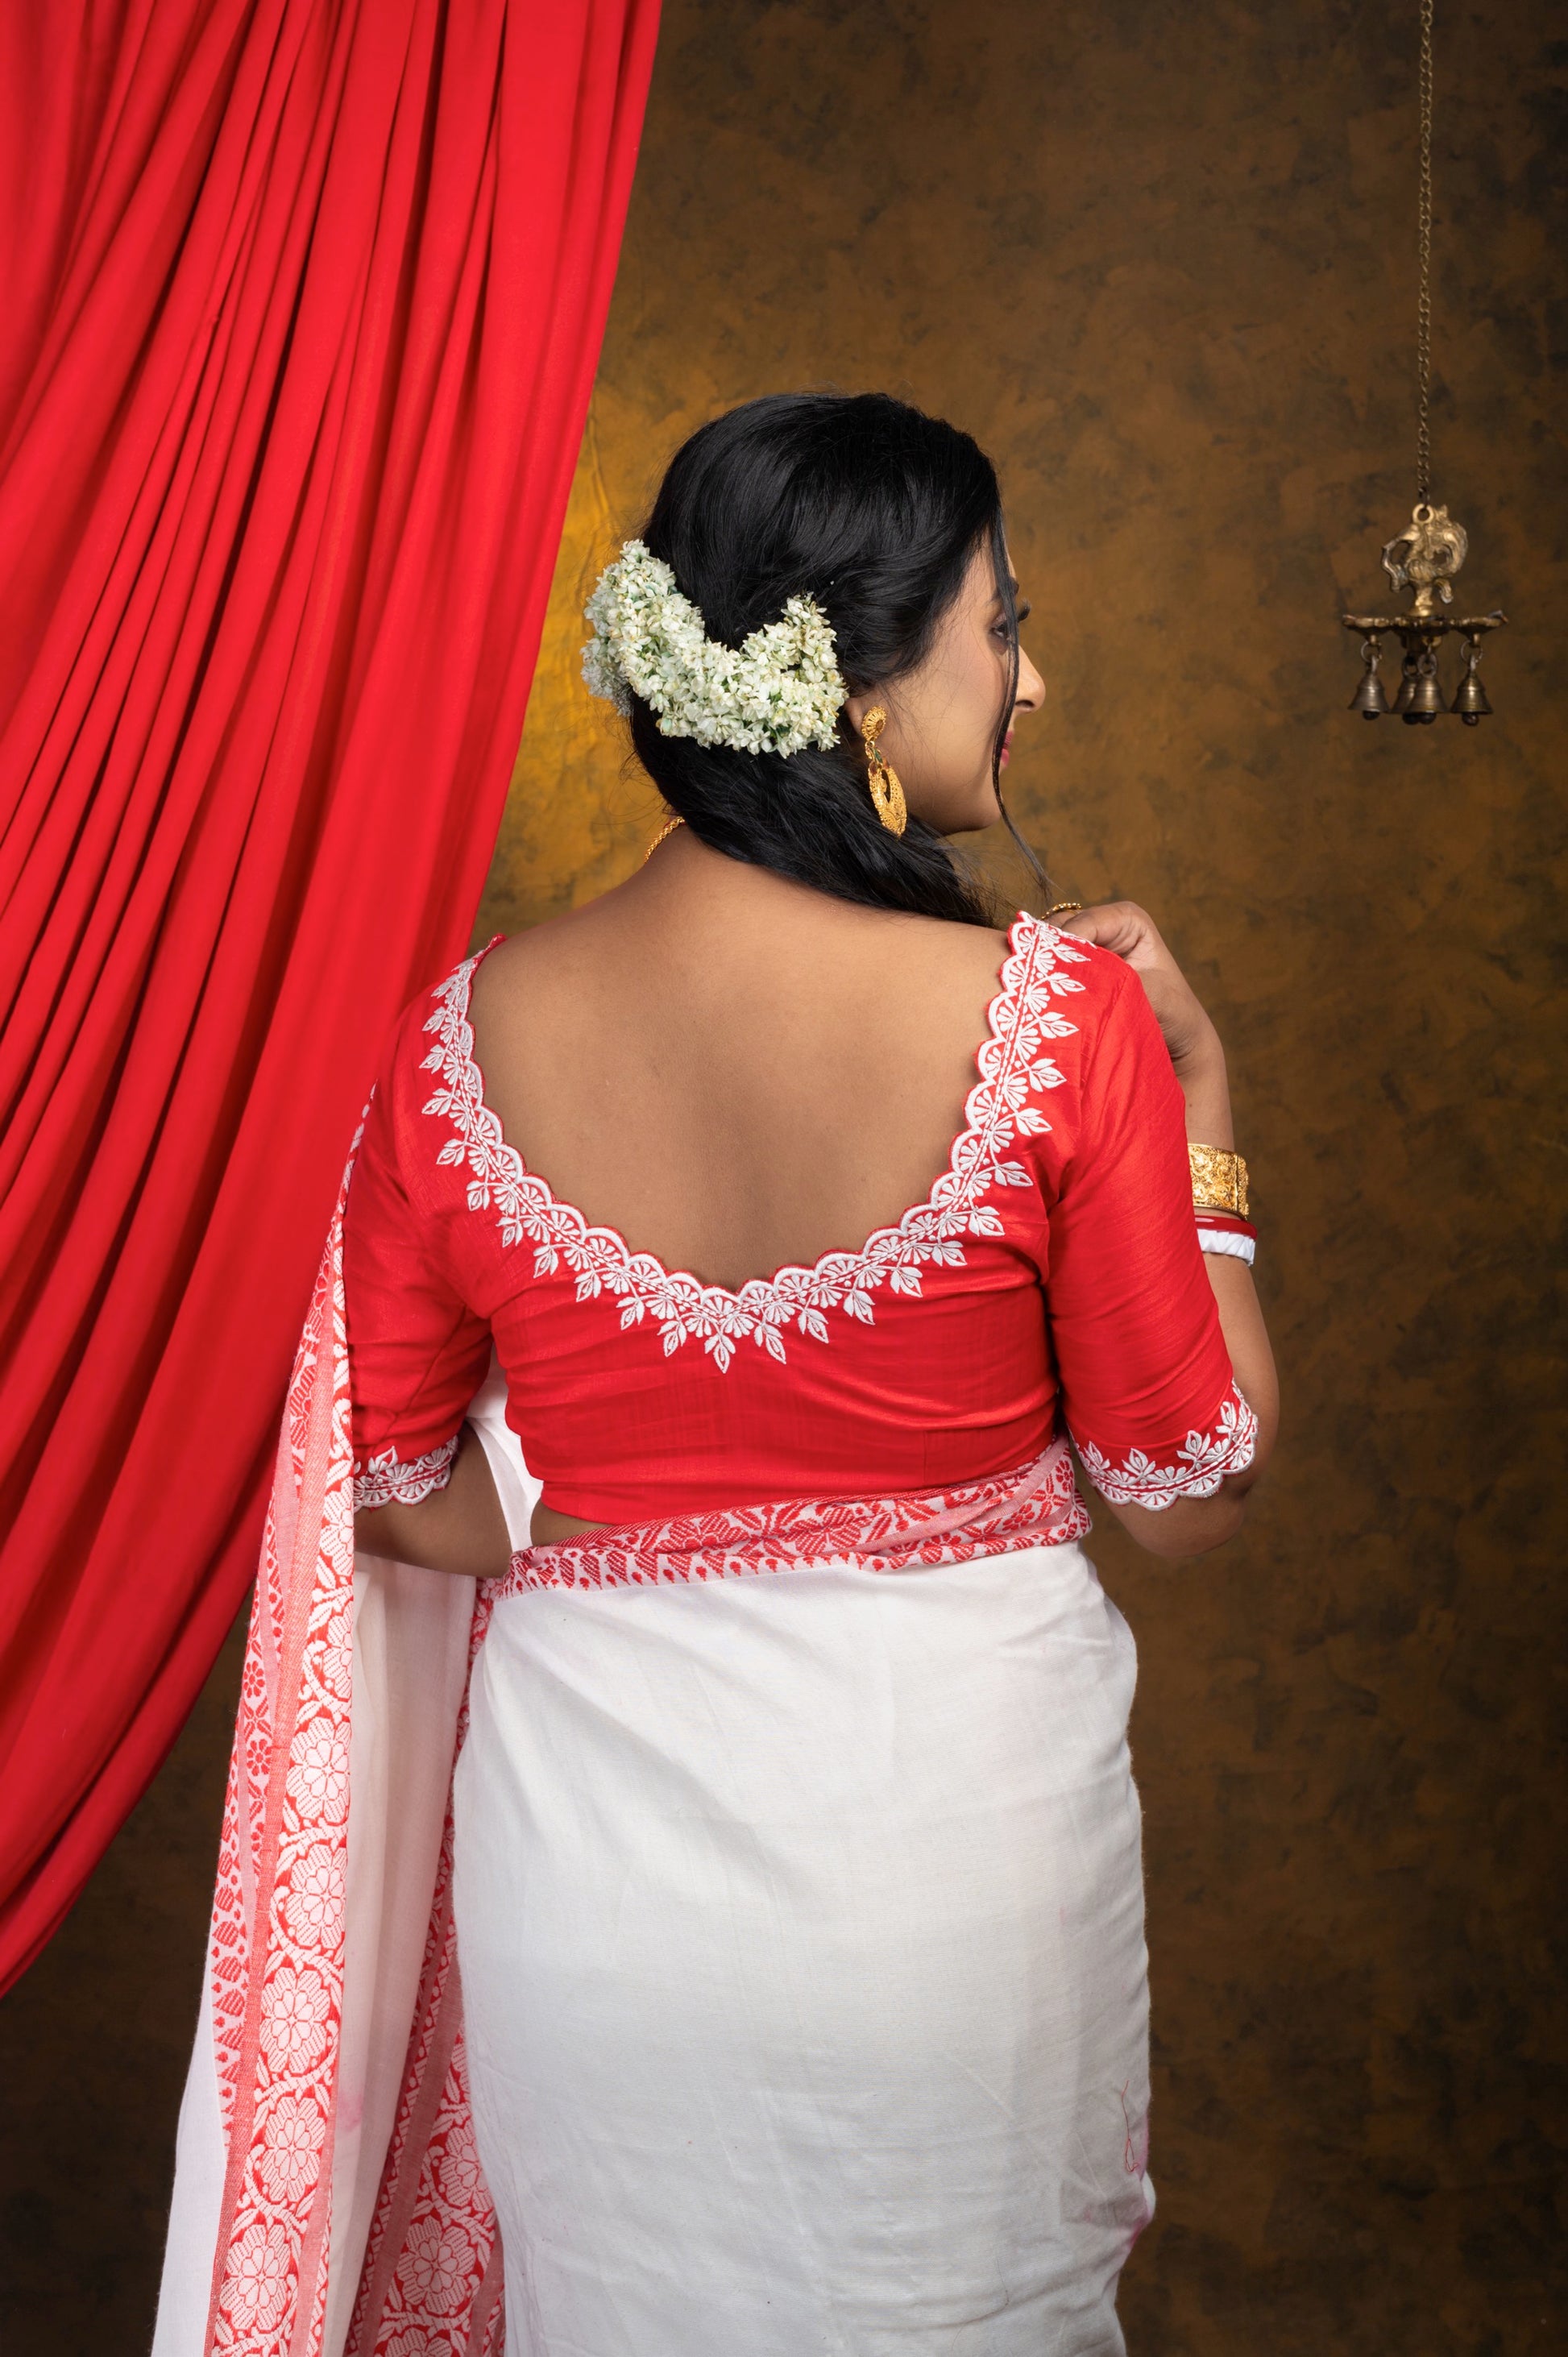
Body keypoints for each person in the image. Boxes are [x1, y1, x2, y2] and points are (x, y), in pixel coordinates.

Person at [159, 391, 1276, 2357]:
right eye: (999, 628)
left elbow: (395, 1483)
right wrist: (1206, 1122)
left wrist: (621, 1520)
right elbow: (1193, 1492)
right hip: (951, 1852)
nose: (1030, 673)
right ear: (862, 684)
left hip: (599, 1866)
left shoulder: (464, 1037)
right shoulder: (1063, 1021)